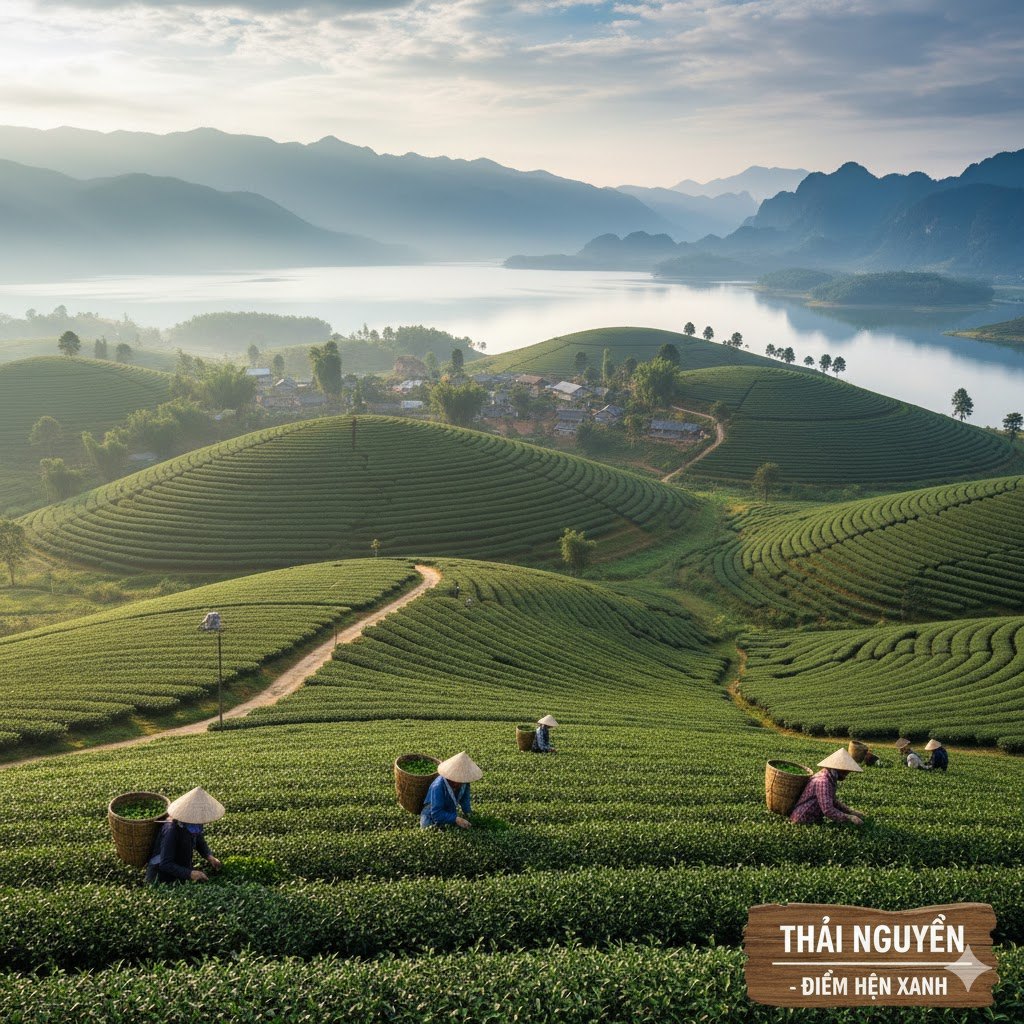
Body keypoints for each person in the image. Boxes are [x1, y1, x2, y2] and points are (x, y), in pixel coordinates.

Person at [145, 787, 224, 884]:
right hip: (160, 877)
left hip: (179, 871)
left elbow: (199, 841)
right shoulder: (171, 830)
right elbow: (165, 864)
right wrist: (190, 874)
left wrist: (209, 856)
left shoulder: (194, 824)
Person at [789, 749, 865, 826]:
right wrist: (850, 818)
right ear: (838, 768)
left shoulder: (830, 777)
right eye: (846, 771)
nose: (847, 774)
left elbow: (832, 801)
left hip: (814, 819)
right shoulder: (823, 781)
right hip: (803, 820)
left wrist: (851, 811)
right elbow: (828, 810)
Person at [420, 751, 482, 829]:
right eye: (458, 780)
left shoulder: (464, 783)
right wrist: (456, 819)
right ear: (451, 777)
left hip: (449, 812)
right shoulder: (438, 786)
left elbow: (465, 801)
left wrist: (468, 814)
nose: (461, 783)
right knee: (430, 831)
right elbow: (437, 813)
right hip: (431, 815)